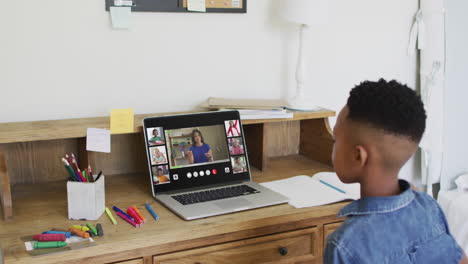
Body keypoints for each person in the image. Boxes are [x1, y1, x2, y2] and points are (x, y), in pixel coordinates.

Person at [324, 79, 468, 264]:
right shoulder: (428, 206)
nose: (333, 146)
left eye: (336, 139)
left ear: (358, 156)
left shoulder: (344, 244)